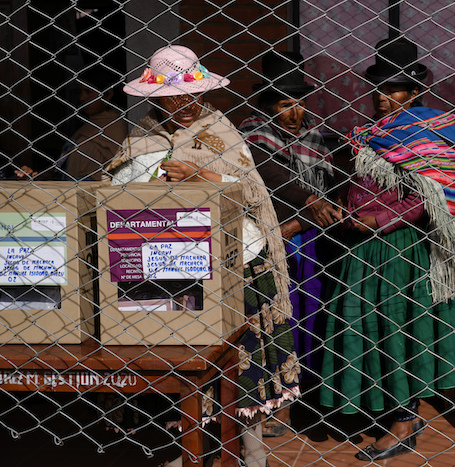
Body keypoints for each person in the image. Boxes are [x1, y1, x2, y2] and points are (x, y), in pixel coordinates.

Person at [108, 45, 301, 467]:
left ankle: (253, 453)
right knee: (184, 360)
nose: (183, 104)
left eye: (190, 94)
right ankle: (193, 448)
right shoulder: (141, 137)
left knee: (240, 361)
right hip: (171, 263)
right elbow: (115, 189)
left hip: (235, 264)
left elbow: (252, 192)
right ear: (155, 97)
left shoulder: (221, 130)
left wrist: (201, 174)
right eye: (172, 96)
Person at [319, 38, 455, 461]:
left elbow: (428, 197)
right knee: (369, 326)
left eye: (393, 89)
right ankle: (381, 406)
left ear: (414, 92)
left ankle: (404, 420)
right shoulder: (370, 134)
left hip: (402, 249)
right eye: (378, 88)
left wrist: (379, 220)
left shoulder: (427, 134)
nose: (383, 97)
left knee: (401, 328)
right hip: (361, 250)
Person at [239, 51, 341, 438]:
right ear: (267, 104)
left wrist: (318, 207)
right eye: (285, 104)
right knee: (278, 318)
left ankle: (308, 393)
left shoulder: (311, 137)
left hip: (311, 240)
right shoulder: (253, 136)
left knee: (311, 313)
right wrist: (310, 204)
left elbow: (327, 181)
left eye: (299, 102)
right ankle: (276, 401)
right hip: (272, 240)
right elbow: (272, 179)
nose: (295, 112)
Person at [15, 64, 127, 181]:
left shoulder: (115, 126)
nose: (82, 98)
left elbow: (118, 166)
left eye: (88, 92)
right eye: (80, 92)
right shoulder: (89, 124)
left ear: (108, 94)